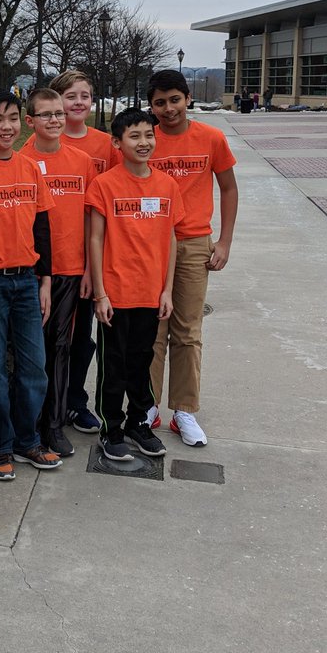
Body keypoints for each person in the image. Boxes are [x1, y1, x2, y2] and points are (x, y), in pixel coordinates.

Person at [86, 107, 184, 462]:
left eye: (148, 135)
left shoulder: (167, 185)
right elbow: (95, 239)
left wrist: (167, 290)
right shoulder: (104, 185)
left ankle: (138, 424)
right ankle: (111, 428)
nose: (144, 143)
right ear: (117, 143)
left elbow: (171, 239)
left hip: (151, 293)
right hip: (116, 294)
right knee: (114, 365)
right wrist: (100, 293)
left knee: (142, 362)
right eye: (134, 136)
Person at [146, 70, 238, 446]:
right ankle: (147, 405)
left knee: (187, 331)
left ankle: (184, 410)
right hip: (150, 244)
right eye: (160, 103)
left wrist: (224, 242)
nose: (169, 109)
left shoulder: (211, 138)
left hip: (195, 242)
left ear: (187, 99)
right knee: (152, 331)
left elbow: (228, 188)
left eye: (175, 100)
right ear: (151, 106)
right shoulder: (145, 139)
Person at [0, 88, 60, 481]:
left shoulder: (29, 168)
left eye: (12, 118)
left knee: (34, 368)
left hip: (26, 281)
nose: (6, 127)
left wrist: (45, 280)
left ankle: (28, 441)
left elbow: (42, 227)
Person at [37, 70, 114, 433]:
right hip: (47, 263)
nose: (78, 102)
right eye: (70, 96)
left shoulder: (104, 147)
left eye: (85, 95)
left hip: (85, 260)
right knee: (49, 342)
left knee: (81, 339)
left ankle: (75, 401)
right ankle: (46, 408)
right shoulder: (37, 145)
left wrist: (94, 267)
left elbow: (105, 204)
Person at [21, 88, 95, 458]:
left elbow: (91, 219)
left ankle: (54, 423)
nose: (54, 120)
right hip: (32, 272)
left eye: (58, 114)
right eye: (46, 114)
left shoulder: (82, 161)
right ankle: (28, 425)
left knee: (61, 349)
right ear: (29, 121)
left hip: (71, 269)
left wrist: (90, 270)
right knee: (30, 354)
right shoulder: (21, 160)